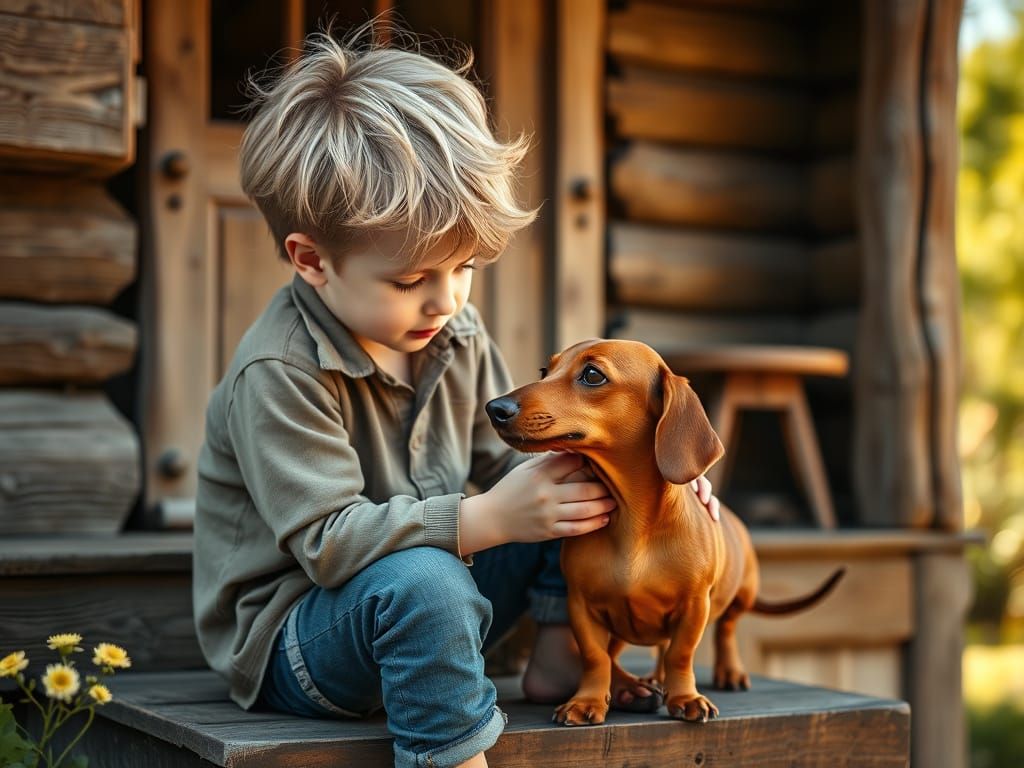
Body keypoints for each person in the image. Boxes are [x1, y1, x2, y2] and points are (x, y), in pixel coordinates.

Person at [192, 27, 720, 768]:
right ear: (312, 260)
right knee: (429, 582)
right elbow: (327, 542)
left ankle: (564, 656)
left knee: (574, 472)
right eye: (411, 281)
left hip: (432, 602)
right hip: (305, 642)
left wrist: (668, 468)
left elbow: (510, 458)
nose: (446, 299)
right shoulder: (278, 371)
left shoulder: (454, 335)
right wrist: (485, 518)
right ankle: (450, 756)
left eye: (465, 266)